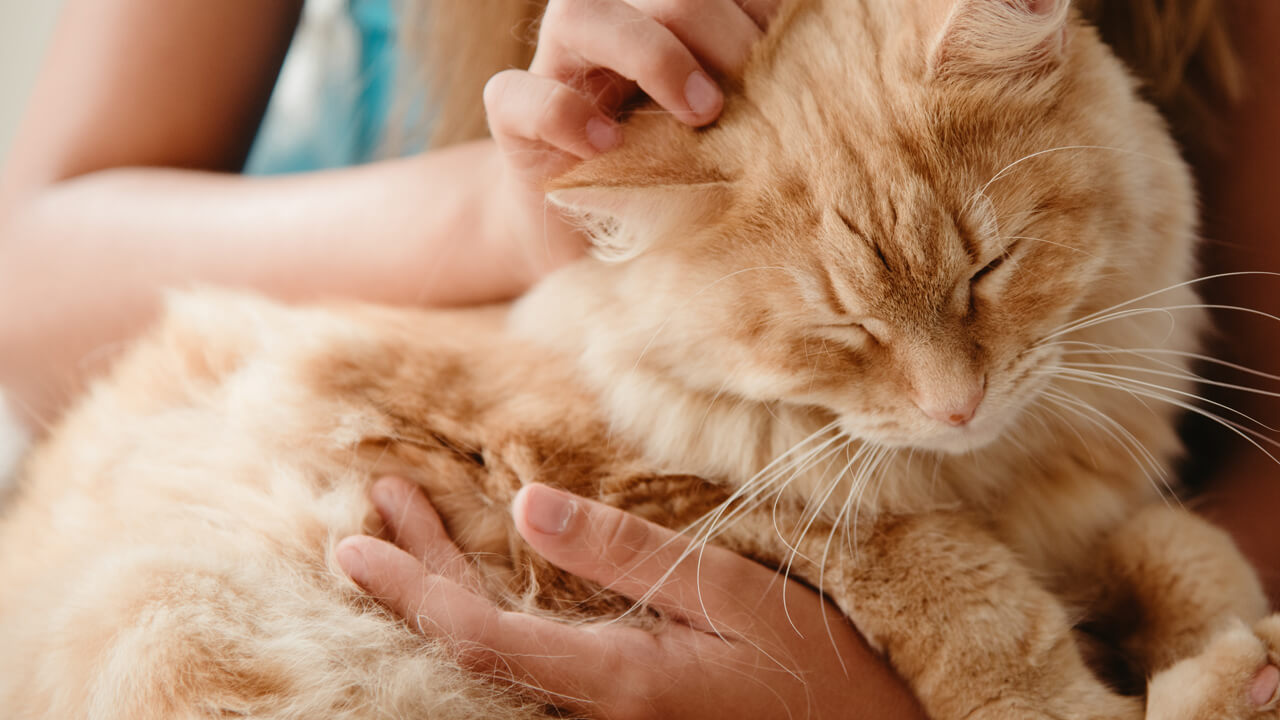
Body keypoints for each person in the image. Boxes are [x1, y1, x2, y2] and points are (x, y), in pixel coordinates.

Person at [1, 1, 1276, 718]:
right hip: (300, 444)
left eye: (988, 280)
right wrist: (519, 218)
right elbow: (25, 273)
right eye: (849, 337)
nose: (952, 399)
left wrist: (880, 698)